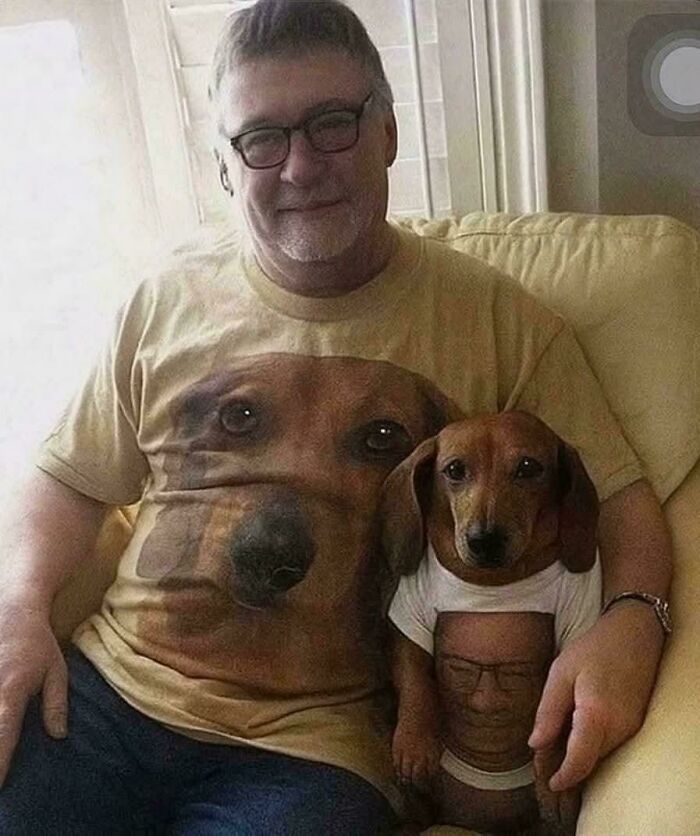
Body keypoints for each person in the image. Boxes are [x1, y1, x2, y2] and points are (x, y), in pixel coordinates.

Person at [0, 1, 671, 833]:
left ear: (388, 133)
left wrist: (636, 624)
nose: (300, 167)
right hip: (108, 699)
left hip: (315, 751)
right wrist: (20, 604)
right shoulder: (163, 302)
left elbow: (626, 503)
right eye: (261, 139)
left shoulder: (503, 324)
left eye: (333, 124)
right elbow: (66, 479)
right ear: (224, 166)